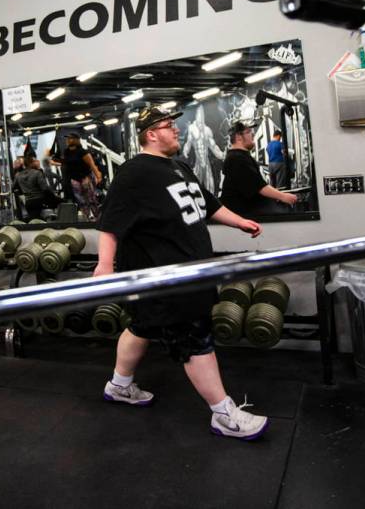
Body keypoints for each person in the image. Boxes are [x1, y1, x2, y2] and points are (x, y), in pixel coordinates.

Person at [96, 106, 269, 440]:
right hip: (165, 273)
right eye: (168, 126)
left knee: (142, 325)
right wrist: (104, 266)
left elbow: (209, 204)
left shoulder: (179, 167)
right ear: (151, 133)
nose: (176, 130)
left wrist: (240, 222)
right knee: (194, 336)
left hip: (190, 269)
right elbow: (110, 222)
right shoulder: (135, 172)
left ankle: (119, 386)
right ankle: (223, 414)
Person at [220, 121, 297, 216]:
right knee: (286, 211)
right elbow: (260, 187)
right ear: (239, 137)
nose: (252, 133)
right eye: (248, 132)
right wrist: (283, 196)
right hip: (242, 213)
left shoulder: (241, 156)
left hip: (249, 208)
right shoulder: (237, 159)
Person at [51, 132, 103, 220]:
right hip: (74, 179)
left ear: (76, 140)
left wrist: (98, 176)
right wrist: (55, 163)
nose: (67, 140)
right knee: (81, 201)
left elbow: (92, 165)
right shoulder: (67, 152)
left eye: (70, 138)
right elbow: (67, 163)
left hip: (85, 177)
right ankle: (87, 218)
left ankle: (98, 218)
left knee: (91, 199)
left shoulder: (82, 152)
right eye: (67, 138)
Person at [13, 155, 61, 220]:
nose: (38, 162)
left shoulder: (18, 175)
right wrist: (54, 198)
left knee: (34, 220)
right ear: (31, 163)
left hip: (28, 202)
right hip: (39, 201)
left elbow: (13, 187)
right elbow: (45, 188)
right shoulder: (37, 173)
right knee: (40, 221)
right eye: (35, 161)